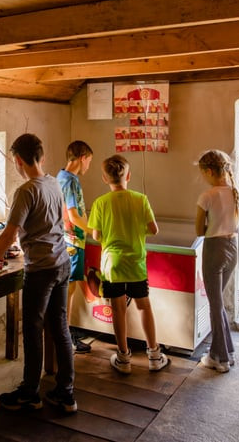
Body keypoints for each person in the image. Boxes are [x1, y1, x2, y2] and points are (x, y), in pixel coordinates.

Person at [0, 133, 76, 413]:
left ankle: (29, 393)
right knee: (60, 328)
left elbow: (8, 234)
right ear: (41, 157)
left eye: (14, 161)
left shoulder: (26, 191)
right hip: (61, 263)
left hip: (41, 270)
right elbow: (51, 223)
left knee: (33, 330)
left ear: (19, 160)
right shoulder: (54, 183)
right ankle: (66, 393)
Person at [87, 154, 169, 374]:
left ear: (105, 178)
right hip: (135, 264)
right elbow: (154, 229)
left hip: (111, 266)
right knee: (144, 306)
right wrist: (135, 230)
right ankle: (154, 354)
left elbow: (96, 235)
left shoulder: (100, 203)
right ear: (129, 176)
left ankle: (123, 358)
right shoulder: (140, 199)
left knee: (118, 309)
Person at [195, 149, 239, 373]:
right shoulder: (234, 192)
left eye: (203, 173)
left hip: (214, 249)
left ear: (210, 171)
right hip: (232, 248)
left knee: (214, 305)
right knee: (217, 302)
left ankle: (219, 358)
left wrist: (209, 224)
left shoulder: (207, 196)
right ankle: (227, 351)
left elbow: (199, 230)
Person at [56, 140, 94, 354]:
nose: (88, 165)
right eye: (89, 161)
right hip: (73, 240)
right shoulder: (71, 181)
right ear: (82, 158)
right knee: (68, 290)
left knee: (68, 290)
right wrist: (92, 230)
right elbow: (73, 214)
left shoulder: (60, 176)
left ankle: (65, 333)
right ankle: (66, 337)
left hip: (66, 238)